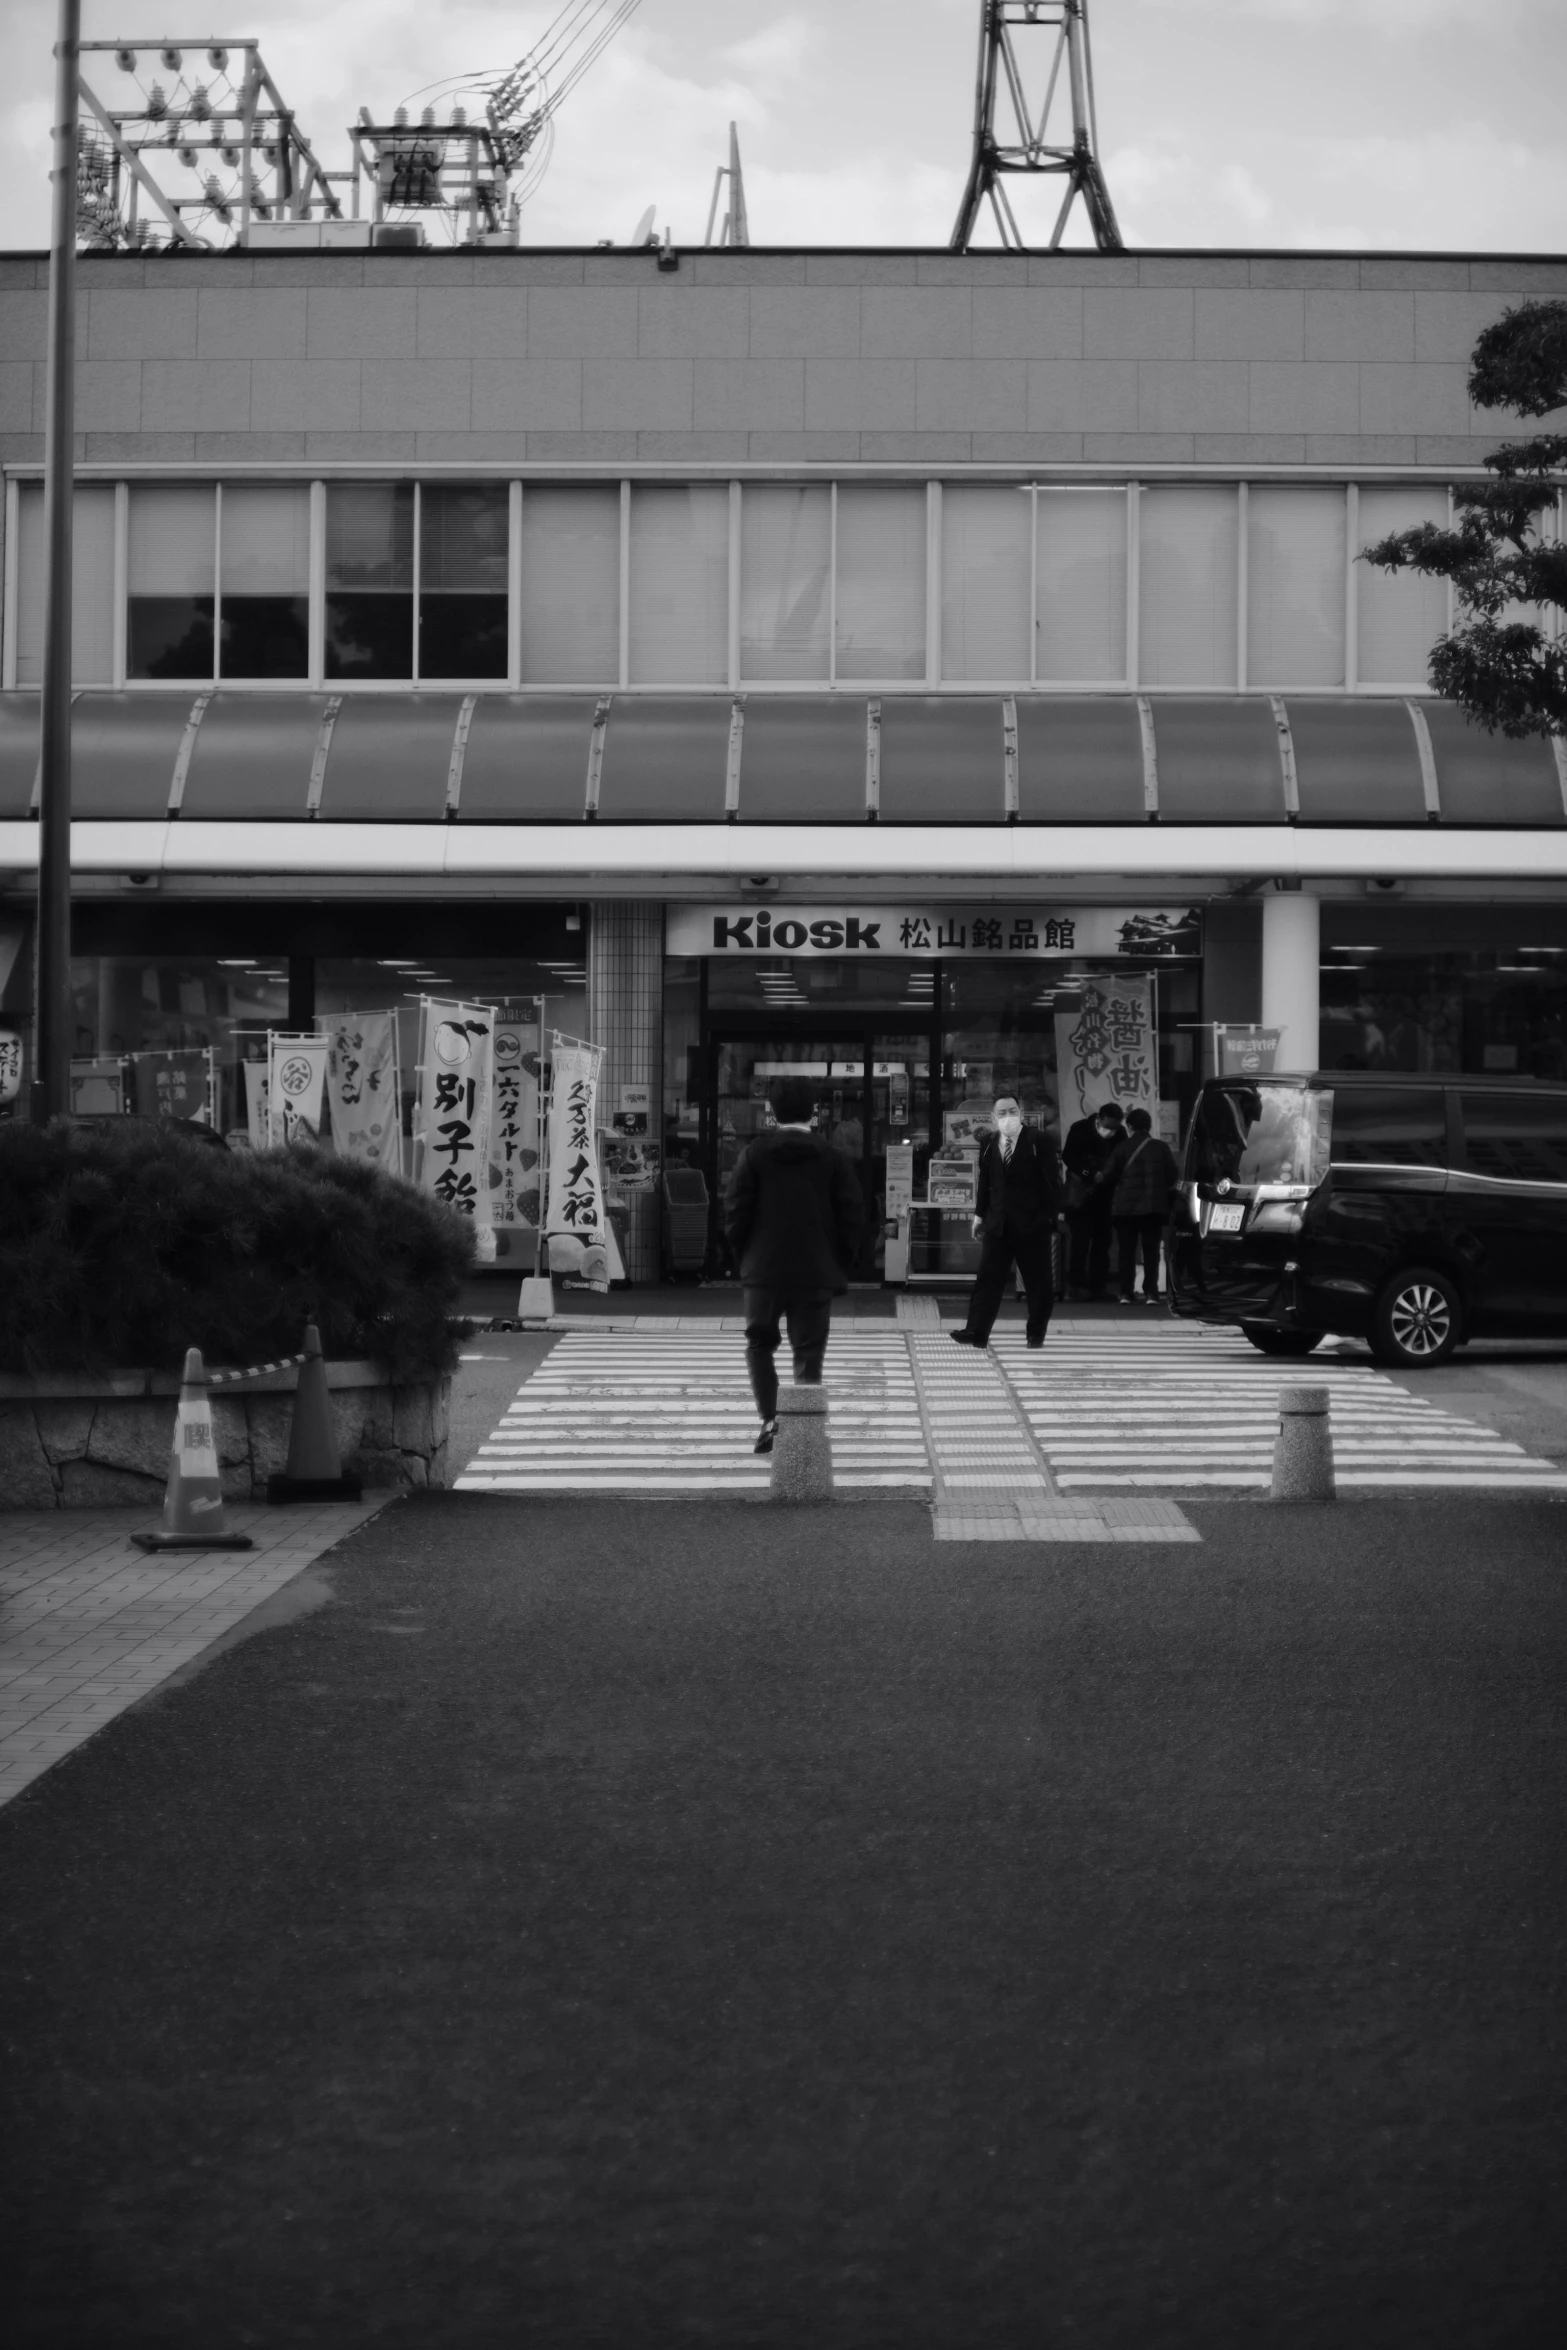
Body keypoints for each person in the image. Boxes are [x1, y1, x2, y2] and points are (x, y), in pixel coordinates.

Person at [726, 1073, 864, 1455]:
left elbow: (735, 1211)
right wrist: (841, 1263)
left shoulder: (754, 1154)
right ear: (815, 1112)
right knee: (808, 1349)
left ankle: (770, 1420)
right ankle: (804, 1433)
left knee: (759, 1343)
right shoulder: (833, 1158)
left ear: (772, 1112)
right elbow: (852, 1217)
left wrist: (744, 1259)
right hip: (816, 1270)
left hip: (763, 1270)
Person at [951, 1095, 1064, 1351]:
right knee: (987, 1281)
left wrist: (1050, 1217)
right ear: (993, 1118)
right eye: (1002, 1113)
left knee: (1038, 1284)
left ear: (1021, 1113)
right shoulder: (989, 1142)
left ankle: (1035, 1334)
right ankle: (976, 1333)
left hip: (1032, 1224)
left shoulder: (1038, 1140)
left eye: (1012, 1111)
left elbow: (1052, 1183)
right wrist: (979, 1216)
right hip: (998, 1225)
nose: (1008, 1117)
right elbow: (986, 1183)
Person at [1105, 1105, 1179, 1304]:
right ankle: (1151, 1293)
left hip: (1125, 1209)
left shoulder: (1122, 1147)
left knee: (1126, 1251)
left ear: (1129, 1126)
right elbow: (1172, 1175)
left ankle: (1126, 1293)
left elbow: (1109, 1175)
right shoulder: (1161, 1147)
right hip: (1153, 1207)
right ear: (1149, 1126)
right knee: (1151, 1251)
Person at [1061, 1100, 1125, 1299]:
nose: (1110, 1130)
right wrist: (1089, 1173)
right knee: (1080, 1242)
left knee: (1102, 1242)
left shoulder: (1120, 1134)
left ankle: (1099, 1286)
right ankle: (1076, 1285)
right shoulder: (1080, 1129)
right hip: (1081, 1195)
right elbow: (1068, 1157)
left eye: (1114, 1127)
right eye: (1108, 1126)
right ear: (1099, 1118)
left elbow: (1121, 1160)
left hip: (1105, 1195)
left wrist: (1108, 1176)